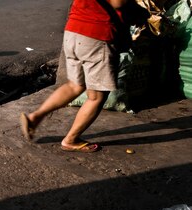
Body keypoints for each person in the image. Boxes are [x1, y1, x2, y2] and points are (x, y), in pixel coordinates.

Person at [20, 0, 129, 153]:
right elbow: (118, 2)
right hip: (97, 34)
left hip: (74, 31)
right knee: (97, 97)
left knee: (75, 85)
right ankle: (71, 140)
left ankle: (35, 117)